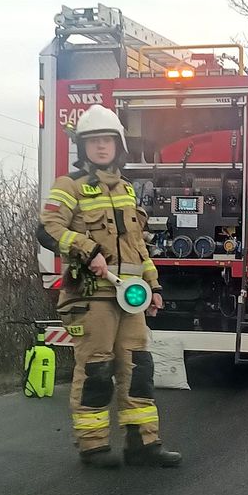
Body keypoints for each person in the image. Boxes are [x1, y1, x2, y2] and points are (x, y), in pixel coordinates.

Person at [37, 105, 182, 469]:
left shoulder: (128, 191)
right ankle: (94, 446)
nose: (101, 147)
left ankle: (143, 445)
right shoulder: (68, 186)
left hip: (131, 298)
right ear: (83, 147)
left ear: (118, 145)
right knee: (97, 371)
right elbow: (49, 229)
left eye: (107, 140)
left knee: (139, 369)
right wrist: (88, 251)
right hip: (92, 297)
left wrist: (154, 285)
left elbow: (138, 245)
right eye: (93, 141)